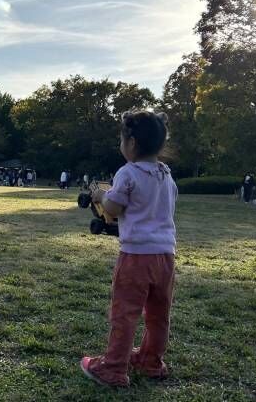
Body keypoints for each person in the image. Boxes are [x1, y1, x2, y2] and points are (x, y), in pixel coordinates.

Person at [80, 110, 177, 388]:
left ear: (131, 143)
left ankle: (112, 368)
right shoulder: (166, 175)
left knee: (125, 313)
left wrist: (101, 196)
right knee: (159, 314)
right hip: (166, 255)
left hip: (136, 256)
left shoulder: (128, 172)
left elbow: (114, 207)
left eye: (121, 140)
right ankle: (151, 361)